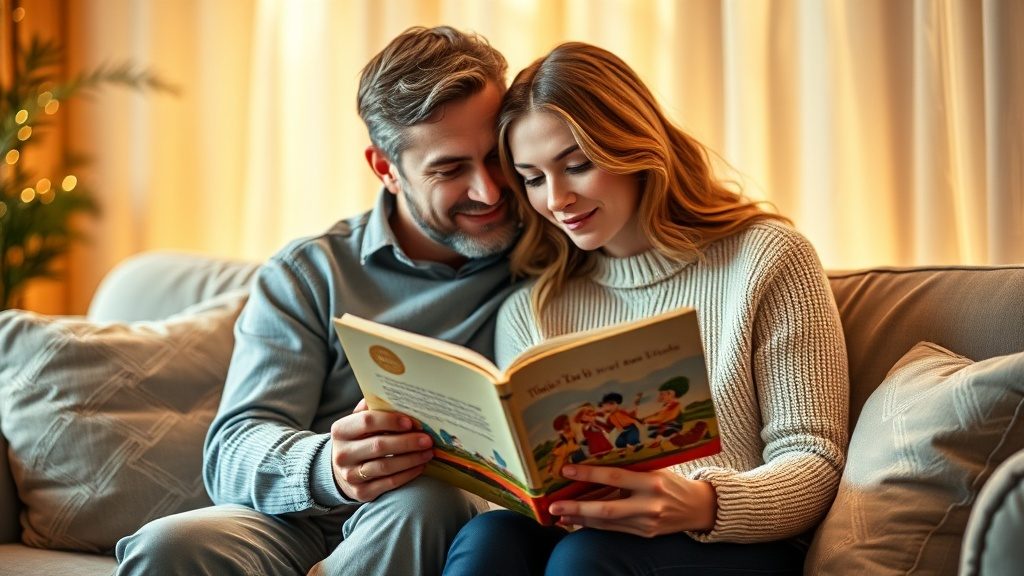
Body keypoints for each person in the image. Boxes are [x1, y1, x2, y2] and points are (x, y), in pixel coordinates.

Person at [114, 26, 522, 576]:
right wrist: (330, 466)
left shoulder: (550, 249)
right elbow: (233, 449)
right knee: (168, 544)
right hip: (303, 521)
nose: (489, 191)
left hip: (437, 517)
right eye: (450, 170)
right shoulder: (310, 272)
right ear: (385, 168)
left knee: (424, 499)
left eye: (497, 156)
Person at [443, 42, 850, 576]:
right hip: (587, 537)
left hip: (733, 543)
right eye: (534, 178)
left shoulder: (765, 259)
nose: (557, 199)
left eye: (577, 165)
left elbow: (813, 458)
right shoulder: (534, 307)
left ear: (633, 148)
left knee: (584, 557)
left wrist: (703, 502)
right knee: (489, 538)